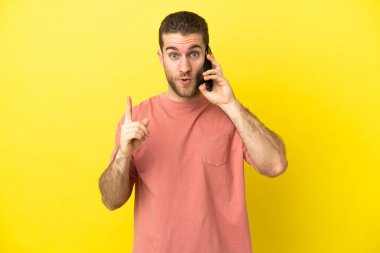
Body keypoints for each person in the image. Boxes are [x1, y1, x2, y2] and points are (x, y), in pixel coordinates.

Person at [98, 11, 288, 253]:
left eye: (194, 54)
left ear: (208, 56)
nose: (184, 67)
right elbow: (110, 200)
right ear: (161, 58)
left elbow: (275, 164)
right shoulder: (136, 119)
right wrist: (123, 155)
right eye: (174, 55)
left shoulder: (231, 114)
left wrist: (231, 105)